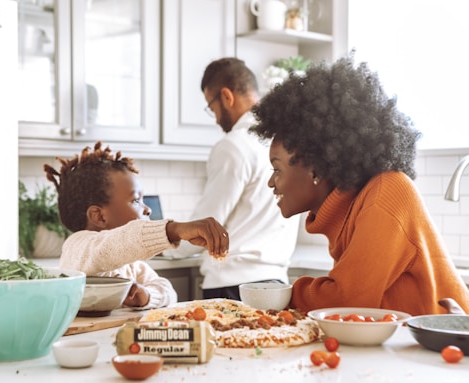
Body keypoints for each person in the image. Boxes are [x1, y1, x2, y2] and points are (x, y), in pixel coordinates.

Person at [249, 54, 469, 316]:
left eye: (277, 169)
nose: (271, 182)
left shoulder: (387, 192)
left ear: (315, 169)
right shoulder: (350, 208)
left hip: (445, 349)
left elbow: (345, 300)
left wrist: (284, 292)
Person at [162, 57, 300, 300]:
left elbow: (205, 225)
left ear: (227, 96)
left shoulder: (233, 146)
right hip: (277, 286)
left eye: (211, 107)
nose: (215, 118)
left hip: (232, 287)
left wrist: (163, 245)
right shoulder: (283, 141)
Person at [44, 141, 229, 310]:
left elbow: (168, 291)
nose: (147, 209)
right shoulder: (77, 247)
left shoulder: (132, 265)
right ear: (98, 216)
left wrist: (146, 296)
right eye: (135, 201)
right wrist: (173, 230)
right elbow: (112, 246)